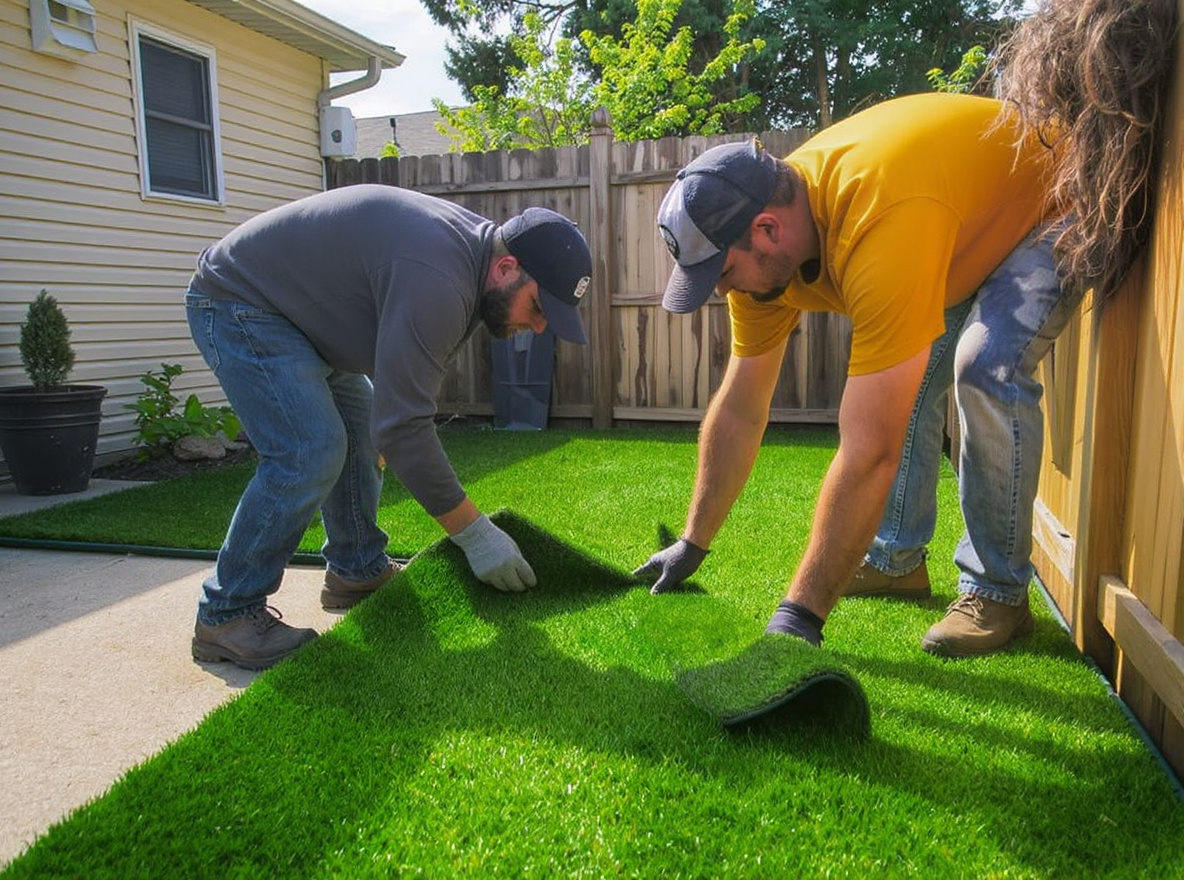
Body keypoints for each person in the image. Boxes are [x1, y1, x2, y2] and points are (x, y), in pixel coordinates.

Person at [633, 93, 1069, 657]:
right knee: (902, 386)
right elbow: (741, 407)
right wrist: (692, 543)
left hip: (1054, 195)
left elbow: (870, 453)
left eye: (721, 271)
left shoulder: (878, 218)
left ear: (766, 229)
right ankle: (895, 562)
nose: (720, 290)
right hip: (961, 217)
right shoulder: (762, 262)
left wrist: (798, 620)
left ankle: (998, 592)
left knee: (985, 367)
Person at [185, 185, 592, 670]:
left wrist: (390, 430)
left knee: (360, 432)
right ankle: (226, 612)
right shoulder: (440, 277)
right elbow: (403, 428)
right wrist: (476, 536)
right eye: (539, 307)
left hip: (304, 319)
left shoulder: (469, 266)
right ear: (507, 270)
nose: (542, 327)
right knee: (310, 449)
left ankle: (357, 569)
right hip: (241, 301)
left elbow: (397, 409)